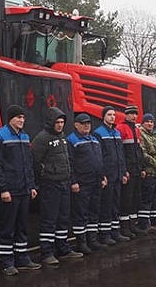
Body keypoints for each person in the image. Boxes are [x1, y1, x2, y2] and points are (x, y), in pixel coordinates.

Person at [0, 105, 40, 275]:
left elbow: (29, 164)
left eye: (23, 117)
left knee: (22, 226)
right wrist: (3, 189)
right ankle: (6, 261)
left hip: (24, 189)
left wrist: (31, 186)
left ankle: (22, 258)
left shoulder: (25, 137)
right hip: (9, 190)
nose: (21, 120)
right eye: (18, 117)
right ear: (10, 118)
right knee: (7, 227)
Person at [31, 107, 83, 264]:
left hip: (64, 182)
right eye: (57, 122)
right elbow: (35, 161)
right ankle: (46, 252)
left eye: (62, 122)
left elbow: (66, 159)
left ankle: (63, 249)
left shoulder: (62, 136)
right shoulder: (42, 138)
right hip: (50, 184)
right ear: (50, 122)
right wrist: (43, 177)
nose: (60, 125)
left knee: (63, 218)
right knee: (49, 219)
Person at [67, 113, 108, 253]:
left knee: (93, 212)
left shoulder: (94, 139)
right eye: (83, 123)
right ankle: (81, 242)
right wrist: (73, 181)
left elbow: (100, 160)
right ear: (76, 125)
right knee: (81, 213)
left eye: (88, 123)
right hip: (82, 183)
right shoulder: (72, 140)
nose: (86, 126)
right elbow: (70, 163)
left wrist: (102, 177)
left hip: (95, 182)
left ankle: (92, 240)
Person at [93, 106, 131, 244]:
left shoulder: (116, 133)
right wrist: (102, 175)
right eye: (109, 114)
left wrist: (123, 171)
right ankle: (104, 234)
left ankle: (115, 232)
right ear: (103, 116)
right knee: (106, 206)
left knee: (116, 204)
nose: (112, 117)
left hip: (117, 175)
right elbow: (99, 157)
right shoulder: (98, 133)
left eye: (114, 114)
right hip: (108, 176)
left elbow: (121, 155)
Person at [116, 105, 145, 236]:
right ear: (126, 115)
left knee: (135, 198)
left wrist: (141, 168)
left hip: (137, 169)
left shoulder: (136, 130)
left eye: (136, 114)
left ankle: (133, 224)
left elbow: (139, 151)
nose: (134, 116)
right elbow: (120, 152)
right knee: (126, 199)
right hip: (128, 170)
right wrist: (124, 170)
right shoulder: (121, 128)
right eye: (132, 114)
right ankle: (124, 227)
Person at [138, 113, 156, 229]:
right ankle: (144, 223)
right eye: (147, 122)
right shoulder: (141, 135)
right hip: (149, 171)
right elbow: (143, 153)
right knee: (147, 198)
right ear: (143, 123)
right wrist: (155, 164)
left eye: (151, 122)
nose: (150, 124)